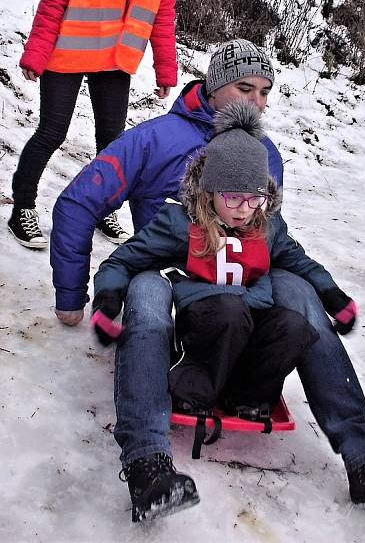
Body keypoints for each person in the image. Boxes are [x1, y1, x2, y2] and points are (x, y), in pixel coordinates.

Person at [51, 38, 365, 514]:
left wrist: (321, 291)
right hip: (170, 271)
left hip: (233, 289)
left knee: (300, 294)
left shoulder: (266, 154)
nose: (256, 102)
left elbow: (268, 236)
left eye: (264, 92)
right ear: (216, 87)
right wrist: (73, 293)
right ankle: (147, 461)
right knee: (147, 292)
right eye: (244, 88)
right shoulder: (153, 138)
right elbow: (78, 202)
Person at [91, 102, 324, 519]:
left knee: (292, 324)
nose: (242, 208)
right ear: (208, 191)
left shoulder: (266, 228)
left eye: (253, 198)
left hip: (248, 336)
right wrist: (109, 298)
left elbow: (300, 261)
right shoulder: (183, 223)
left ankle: (248, 397)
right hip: (205, 333)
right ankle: (188, 396)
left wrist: (334, 296)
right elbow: (123, 260)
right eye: (232, 196)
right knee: (229, 312)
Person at [8, 0, 177, 250]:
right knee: (52, 131)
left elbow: (163, 12)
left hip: (116, 61)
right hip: (67, 55)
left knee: (112, 142)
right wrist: (36, 51)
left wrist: (165, 70)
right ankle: (23, 208)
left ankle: (103, 208)